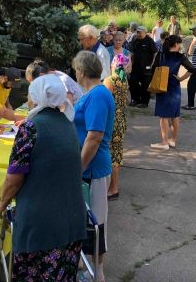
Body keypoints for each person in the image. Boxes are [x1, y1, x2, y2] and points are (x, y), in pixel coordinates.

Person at [0, 75, 86, 281]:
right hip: (71, 220)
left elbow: (14, 179)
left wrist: (2, 204)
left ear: (36, 98)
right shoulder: (67, 123)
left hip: (42, 226)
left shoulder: (31, 127)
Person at [72, 51, 115, 281]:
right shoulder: (92, 93)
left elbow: (94, 137)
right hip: (88, 167)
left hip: (92, 169)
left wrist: (78, 169)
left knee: (96, 223)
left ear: (81, 71)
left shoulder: (98, 95)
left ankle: (98, 273)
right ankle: (83, 263)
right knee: (85, 221)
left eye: (75, 70)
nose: (75, 73)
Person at [151, 35, 194, 150]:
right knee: (175, 115)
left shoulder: (160, 55)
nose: (180, 46)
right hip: (175, 86)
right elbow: (192, 69)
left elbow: (153, 69)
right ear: (176, 44)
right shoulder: (180, 56)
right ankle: (173, 140)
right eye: (179, 44)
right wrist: (181, 78)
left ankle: (164, 142)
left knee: (163, 116)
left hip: (162, 85)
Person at [104, 54, 129, 199]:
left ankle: (112, 188)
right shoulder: (124, 80)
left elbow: (105, 102)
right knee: (117, 154)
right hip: (121, 120)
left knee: (109, 153)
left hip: (111, 120)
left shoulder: (109, 80)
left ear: (112, 65)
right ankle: (114, 187)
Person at [128, 26, 158, 108]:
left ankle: (144, 102)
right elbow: (132, 53)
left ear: (145, 32)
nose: (138, 34)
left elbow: (155, 53)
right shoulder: (136, 41)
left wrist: (152, 64)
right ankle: (135, 99)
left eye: (140, 32)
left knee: (145, 85)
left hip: (146, 68)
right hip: (135, 67)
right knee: (133, 83)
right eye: (137, 32)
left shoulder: (150, 41)